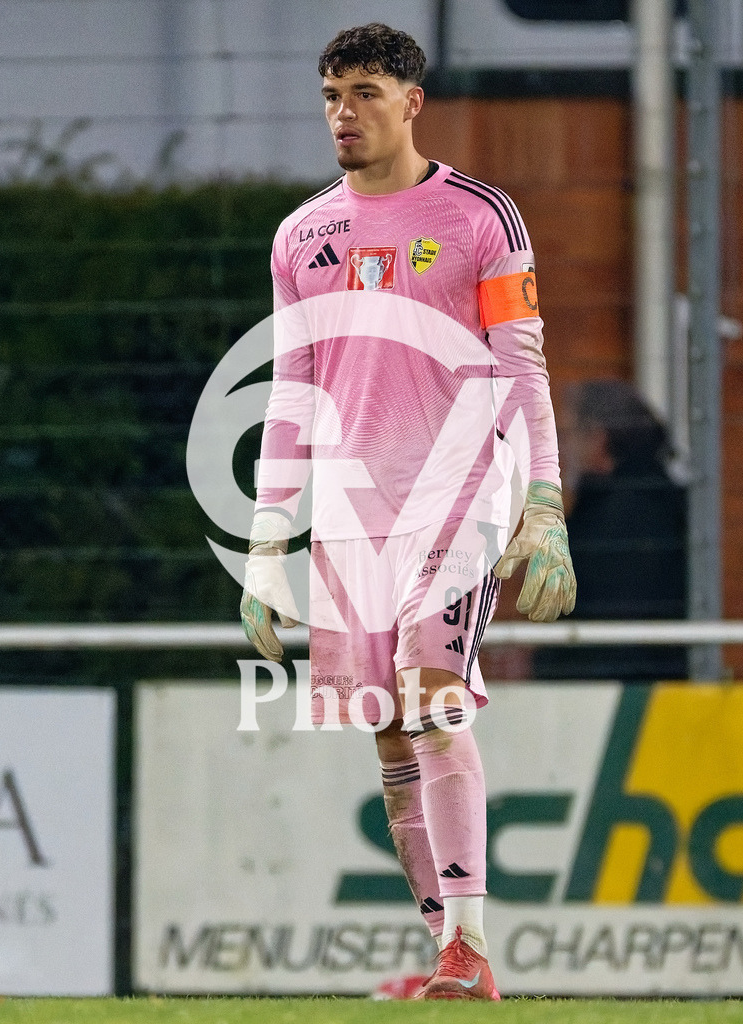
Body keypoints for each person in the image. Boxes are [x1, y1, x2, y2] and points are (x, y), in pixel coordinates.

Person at [240, 23, 575, 1001]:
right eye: (331, 96)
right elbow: (291, 395)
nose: (344, 115)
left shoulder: (480, 217)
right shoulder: (301, 236)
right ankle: (451, 956)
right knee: (391, 731)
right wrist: (267, 543)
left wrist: (543, 501)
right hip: (351, 520)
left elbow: (522, 365)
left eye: (365, 94)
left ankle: (468, 949)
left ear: (412, 100)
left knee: (432, 700)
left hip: (458, 501)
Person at [534, 378, 688, 681]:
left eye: (566, 435)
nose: (560, 449)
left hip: (617, 695)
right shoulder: (653, 500)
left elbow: (606, 623)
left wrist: (545, 666)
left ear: (597, 438)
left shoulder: (622, 515)